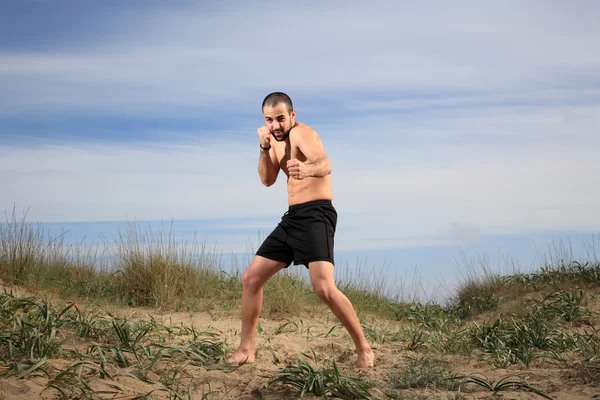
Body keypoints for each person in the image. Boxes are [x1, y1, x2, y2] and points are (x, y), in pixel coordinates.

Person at [227, 92, 375, 369]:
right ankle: (246, 349)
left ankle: (364, 349)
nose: (276, 125)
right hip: (293, 218)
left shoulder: (303, 134)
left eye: (281, 118)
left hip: (317, 213)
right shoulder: (272, 141)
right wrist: (263, 147)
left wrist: (306, 169)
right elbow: (267, 180)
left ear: (292, 116)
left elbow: (325, 163)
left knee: (323, 288)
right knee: (251, 279)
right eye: (269, 120)